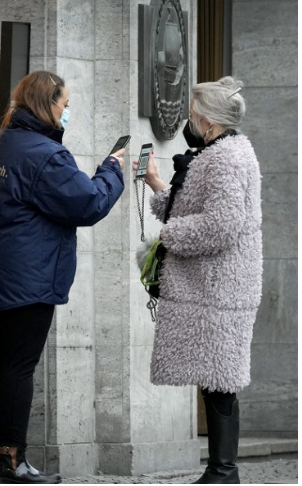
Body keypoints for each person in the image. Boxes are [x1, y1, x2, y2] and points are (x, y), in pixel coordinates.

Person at [0, 70, 125, 485]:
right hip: (28, 278)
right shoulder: (46, 156)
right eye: (65, 104)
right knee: (18, 367)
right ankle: (12, 460)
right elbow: (88, 204)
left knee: (0, 363)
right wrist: (113, 170)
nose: (67, 111)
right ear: (47, 105)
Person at [136, 77, 261, 485]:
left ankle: (223, 471)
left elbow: (220, 224)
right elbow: (187, 207)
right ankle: (221, 471)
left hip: (217, 287)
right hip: (216, 287)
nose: (189, 120)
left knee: (221, 378)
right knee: (216, 376)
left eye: (192, 114)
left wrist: (167, 239)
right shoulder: (222, 153)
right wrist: (156, 183)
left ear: (207, 121)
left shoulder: (225, 159)